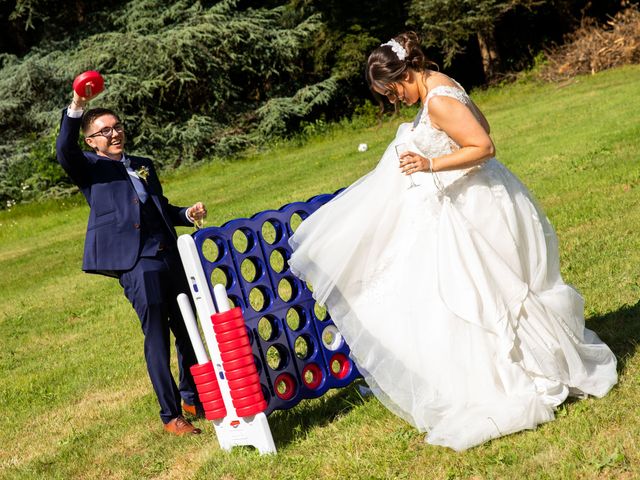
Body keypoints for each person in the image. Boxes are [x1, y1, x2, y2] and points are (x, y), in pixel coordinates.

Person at [288, 32, 618, 451]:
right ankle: (531, 366)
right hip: (481, 196)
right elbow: (481, 127)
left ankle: (523, 377)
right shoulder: (443, 84)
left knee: (486, 294)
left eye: (394, 91)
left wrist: (430, 163)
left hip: (475, 207)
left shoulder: (439, 100)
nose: (396, 101)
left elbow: (484, 144)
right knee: (489, 293)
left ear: (405, 73)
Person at [56, 85, 208, 436]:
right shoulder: (88, 168)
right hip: (136, 263)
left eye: (118, 126)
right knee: (156, 335)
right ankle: (171, 416)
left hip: (170, 254)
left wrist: (187, 212)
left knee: (187, 328)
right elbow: (64, 149)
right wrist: (78, 104)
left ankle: (191, 396)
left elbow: (160, 208)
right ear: (92, 141)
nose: (115, 133)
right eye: (105, 131)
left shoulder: (143, 165)